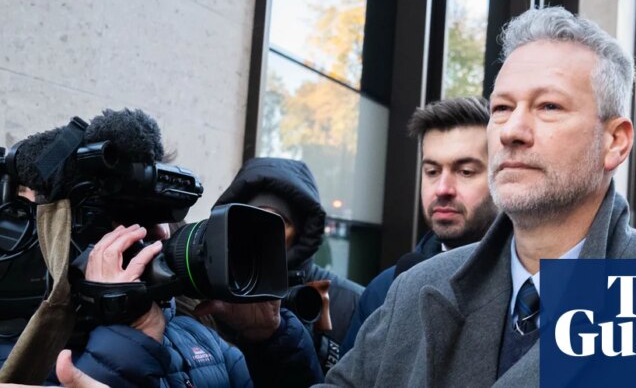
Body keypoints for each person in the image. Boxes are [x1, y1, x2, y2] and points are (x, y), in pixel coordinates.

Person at [320, 6, 636, 387]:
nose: (511, 131)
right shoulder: (416, 291)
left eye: (548, 106)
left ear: (615, 141)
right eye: (501, 108)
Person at [66, 224, 323, 388]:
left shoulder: (206, 340)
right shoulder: (52, 341)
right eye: (136, 217)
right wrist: (128, 339)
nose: (162, 232)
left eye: (164, 216)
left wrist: (272, 340)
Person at [340, 96, 497, 355]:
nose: (443, 189)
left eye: (466, 171)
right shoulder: (385, 289)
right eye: (432, 171)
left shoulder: (538, 288)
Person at [212, 158, 364, 372]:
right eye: (254, 217)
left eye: (279, 222)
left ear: (300, 232)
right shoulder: (212, 291)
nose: (264, 232)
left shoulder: (353, 303)